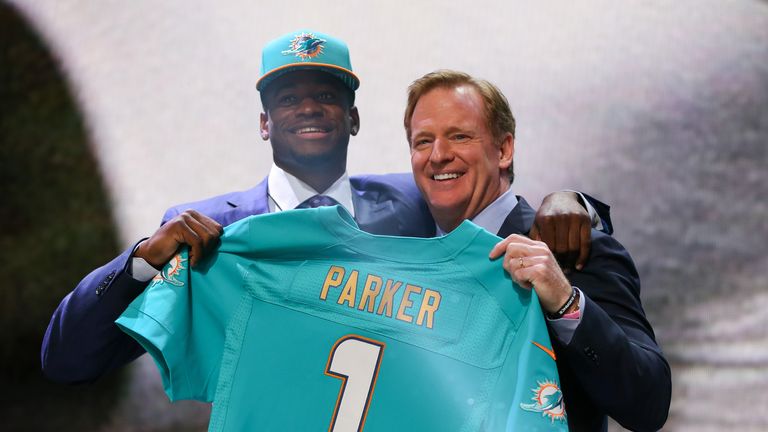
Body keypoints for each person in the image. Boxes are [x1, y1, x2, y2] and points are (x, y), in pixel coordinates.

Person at [40, 30, 608, 384]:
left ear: (354, 118)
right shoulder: (208, 231)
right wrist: (140, 262)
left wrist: (572, 202)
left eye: (327, 96)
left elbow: (502, 205)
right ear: (264, 122)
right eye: (288, 98)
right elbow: (68, 361)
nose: (308, 108)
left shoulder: (414, 202)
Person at [404, 70, 671, 431]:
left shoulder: (572, 250)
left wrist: (565, 304)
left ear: (504, 149)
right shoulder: (401, 248)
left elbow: (649, 402)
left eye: (459, 136)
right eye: (422, 142)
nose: (438, 155)